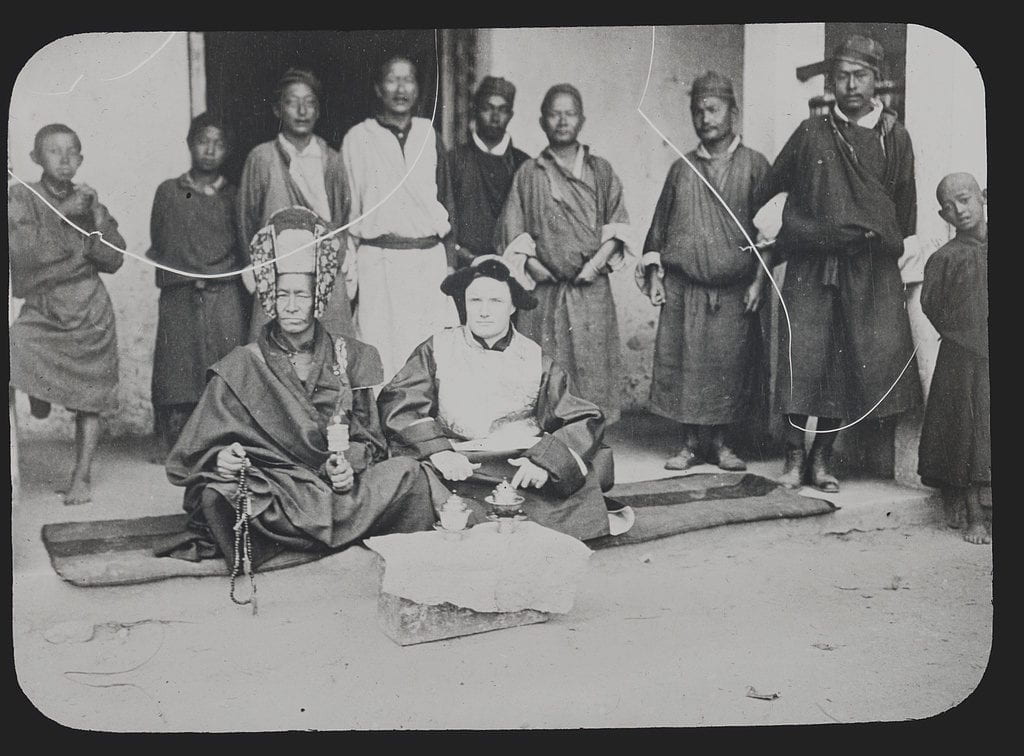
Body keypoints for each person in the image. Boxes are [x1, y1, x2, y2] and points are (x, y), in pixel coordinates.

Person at [164, 206, 440, 568]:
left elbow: (372, 441)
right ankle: (344, 533)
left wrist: (349, 465)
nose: (291, 307)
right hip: (276, 486)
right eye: (282, 296)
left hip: (338, 486)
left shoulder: (351, 356)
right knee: (218, 496)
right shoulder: (244, 363)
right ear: (269, 298)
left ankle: (304, 539)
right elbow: (195, 453)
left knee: (408, 474)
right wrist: (222, 459)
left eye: (301, 296)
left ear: (319, 299)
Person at [753, 35, 921, 492]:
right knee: (800, 357)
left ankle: (823, 459)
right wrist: (800, 226)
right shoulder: (811, 134)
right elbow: (770, 188)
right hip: (811, 264)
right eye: (842, 76)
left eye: (860, 75)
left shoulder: (895, 138)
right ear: (832, 81)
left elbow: (902, 212)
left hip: (863, 269)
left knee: (843, 362)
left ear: (877, 82)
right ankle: (792, 459)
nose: (850, 85)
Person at [377, 256, 632, 542]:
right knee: (412, 475)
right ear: (464, 304)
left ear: (512, 306)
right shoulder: (437, 347)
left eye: (495, 302)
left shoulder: (534, 357)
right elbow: (399, 401)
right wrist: (438, 451)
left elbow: (582, 417)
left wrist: (545, 463)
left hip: (516, 464)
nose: (484, 312)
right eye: (475, 301)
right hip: (458, 464)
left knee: (582, 466)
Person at [639, 71, 771, 472]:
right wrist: (656, 274)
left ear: (732, 111)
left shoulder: (754, 166)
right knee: (684, 364)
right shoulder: (682, 169)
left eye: (713, 109)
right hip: (684, 287)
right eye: (698, 110)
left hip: (733, 290)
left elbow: (768, 234)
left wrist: (759, 281)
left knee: (729, 367)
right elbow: (658, 229)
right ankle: (688, 444)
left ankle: (722, 444)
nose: (705, 117)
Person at [494, 83, 635, 425]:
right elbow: (512, 231)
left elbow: (618, 225)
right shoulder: (529, 173)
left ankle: (591, 433)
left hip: (590, 288)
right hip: (544, 290)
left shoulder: (600, 171)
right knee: (543, 364)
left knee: (592, 362)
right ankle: (545, 431)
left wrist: (596, 264)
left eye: (569, 113)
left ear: (581, 119)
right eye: (554, 113)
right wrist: (532, 264)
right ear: (543, 121)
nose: (562, 120)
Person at [9, 124, 125, 505]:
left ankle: (82, 477)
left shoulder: (89, 200)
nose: (63, 159)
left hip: (89, 310)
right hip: (44, 309)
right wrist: (62, 213)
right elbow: (21, 254)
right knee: (12, 349)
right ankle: (38, 391)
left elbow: (114, 259)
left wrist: (95, 220)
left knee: (89, 400)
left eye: (71, 152)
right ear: (35, 158)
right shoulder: (21, 197)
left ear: (81, 159)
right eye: (53, 151)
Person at [341, 54, 459, 382]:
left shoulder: (429, 135)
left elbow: (447, 202)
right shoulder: (357, 138)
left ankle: (425, 420)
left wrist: (449, 260)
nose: (401, 87)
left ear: (418, 88)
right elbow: (346, 209)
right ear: (379, 88)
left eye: (408, 79)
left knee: (431, 346)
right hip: (378, 262)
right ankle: (380, 424)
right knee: (379, 344)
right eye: (392, 79)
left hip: (427, 262)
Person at [148, 112, 248, 462]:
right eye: (203, 140)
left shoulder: (235, 195)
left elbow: (243, 243)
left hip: (224, 292)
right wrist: (183, 274)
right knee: (175, 368)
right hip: (180, 292)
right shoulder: (168, 192)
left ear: (228, 151)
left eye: (219, 144)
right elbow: (159, 241)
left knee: (225, 367)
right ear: (190, 143)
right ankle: (173, 441)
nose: (210, 149)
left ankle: (222, 440)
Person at [237, 67, 353, 342]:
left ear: (318, 111)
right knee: (272, 360)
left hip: (323, 275)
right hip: (274, 277)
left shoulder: (331, 160)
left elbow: (342, 218)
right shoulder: (262, 158)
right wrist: (257, 271)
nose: (302, 110)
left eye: (310, 102)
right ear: (278, 110)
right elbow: (246, 220)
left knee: (330, 356)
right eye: (292, 102)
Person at [918, 174, 990, 544]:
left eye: (964, 199)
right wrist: (965, 335)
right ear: (942, 214)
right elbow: (931, 303)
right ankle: (972, 514)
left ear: (983, 196)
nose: (959, 210)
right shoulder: (944, 259)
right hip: (961, 359)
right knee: (964, 431)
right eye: (949, 207)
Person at [448, 76, 530, 268]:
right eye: (488, 108)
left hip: (512, 268)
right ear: (475, 111)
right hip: (464, 266)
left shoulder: (524, 164)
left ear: (511, 114)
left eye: (502, 110)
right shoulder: (454, 160)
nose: (495, 117)